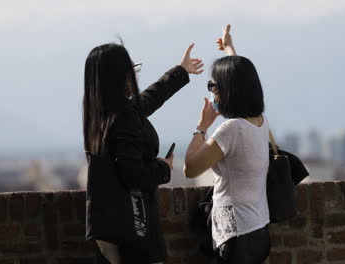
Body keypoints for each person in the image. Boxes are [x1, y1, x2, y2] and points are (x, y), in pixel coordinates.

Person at [83, 41, 204, 263]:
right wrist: (163, 168)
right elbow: (133, 175)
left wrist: (180, 71)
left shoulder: (99, 115)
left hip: (107, 227)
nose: (136, 76)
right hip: (132, 229)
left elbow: (148, 100)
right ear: (120, 76)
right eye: (132, 70)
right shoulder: (123, 117)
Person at [183, 25, 271, 263]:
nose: (213, 93)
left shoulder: (231, 129)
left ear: (226, 91)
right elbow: (240, 77)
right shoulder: (260, 123)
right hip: (260, 229)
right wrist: (230, 48)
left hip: (237, 236)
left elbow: (190, 168)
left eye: (214, 86)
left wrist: (202, 126)